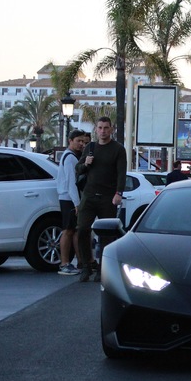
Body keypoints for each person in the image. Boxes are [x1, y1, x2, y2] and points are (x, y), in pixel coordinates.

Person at [75, 117, 127, 282]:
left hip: (107, 197)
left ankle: (102, 268)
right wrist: (86, 164)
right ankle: (85, 266)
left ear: (111, 129)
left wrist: (119, 193)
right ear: (96, 130)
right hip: (89, 196)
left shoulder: (118, 149)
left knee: (106, 235)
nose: (103, 131)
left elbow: (121, 173)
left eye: (106, 128)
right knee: (82, 229)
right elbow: (78, 169)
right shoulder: (90, 147)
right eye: (100, 128)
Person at [56, 129, 86, 275]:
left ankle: (79, 262)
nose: (81, 144)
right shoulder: (70, 158)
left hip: (70, 199)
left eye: (83, 141)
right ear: (70, 141)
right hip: (68, 199)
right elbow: (71, 183)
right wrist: (76, 203)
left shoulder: (71, 157)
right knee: (68, 231)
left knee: (73, 230)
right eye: (78, 141)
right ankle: (64, 263)